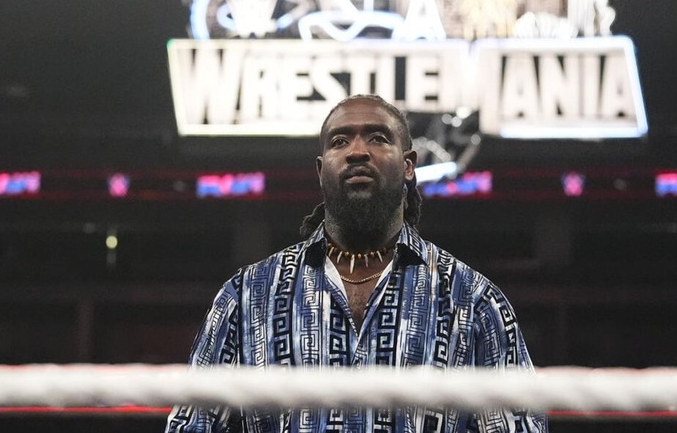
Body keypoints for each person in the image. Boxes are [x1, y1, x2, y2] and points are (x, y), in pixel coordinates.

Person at [166, 95, 548, 432]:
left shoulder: (473, 300)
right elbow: (191, 424)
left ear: (409, 165)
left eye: (378, 138)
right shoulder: (247, 296)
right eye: (340, 141)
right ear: (320, 170)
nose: (357, 151)